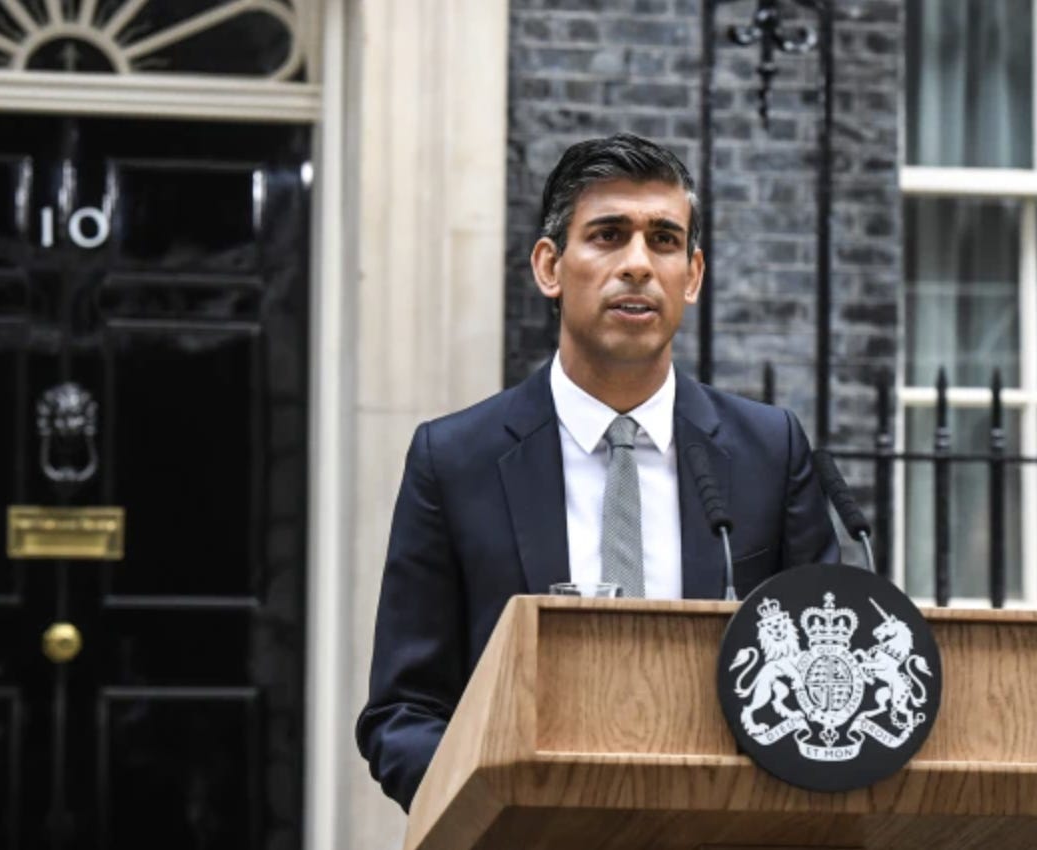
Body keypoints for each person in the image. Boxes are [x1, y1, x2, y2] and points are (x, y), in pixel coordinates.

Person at [356, 133, 839, 811]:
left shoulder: (770, 451)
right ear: (550, 266)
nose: (638, 264)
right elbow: (403, 714)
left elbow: (827, 684)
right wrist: (507, 806)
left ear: (692, 276)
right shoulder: (454, 461)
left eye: (664, 240)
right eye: (609, 236)